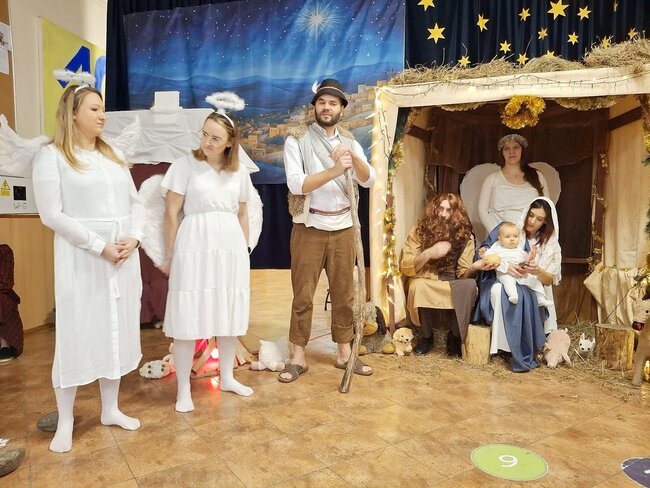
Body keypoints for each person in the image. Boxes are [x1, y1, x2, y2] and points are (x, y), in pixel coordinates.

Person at [32, 84, 144, 453]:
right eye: (94, 109)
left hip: (121, 256)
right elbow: (51, 214)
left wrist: (134, 237)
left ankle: (111, 409)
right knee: (77, 331)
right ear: (73, 113)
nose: (102, 116)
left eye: (103, 109)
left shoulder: (113, 154)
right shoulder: (51, 156)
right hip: (82, 257)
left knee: (115, 330)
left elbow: (135, 202)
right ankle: (65, 419)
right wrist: (99, 246)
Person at [279, 78, 375, 382]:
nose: (326, 107)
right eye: (321, 102)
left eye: (333, 103)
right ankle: (297, 356)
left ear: (341, 109)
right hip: (309, 227)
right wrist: (335, 170)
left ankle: (345, 352)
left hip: (344, 227)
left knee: (345, 294)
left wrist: (353, 159)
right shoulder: (296, 140)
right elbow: (297, 184)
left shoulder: (351, 142)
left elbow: (368, 179)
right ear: (315, 107)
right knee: (303, 294)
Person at [159, 110, 254, 412]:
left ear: (230, 143)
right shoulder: (184, 165)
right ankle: (183, 389)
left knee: (227, 311)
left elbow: (243, 214)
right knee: (188, 315)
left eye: (215, 138)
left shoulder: (239, 173)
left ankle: (227, 377)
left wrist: (244, 251)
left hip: (229, 246)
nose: (207, 142)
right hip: (194, 243)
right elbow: (171, 213)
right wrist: (170, 254)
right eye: (204, 134)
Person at [400, 193, 494, 356]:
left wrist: (475, 267)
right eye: (440, 209)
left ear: (456, 213)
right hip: (428, 277)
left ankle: (455, 337)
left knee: (469, 286)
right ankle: (427, 337)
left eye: (449, 210)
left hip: (454, 279)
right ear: (434, 209)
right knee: (417, 286)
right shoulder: (420, 230)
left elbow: (464, 272)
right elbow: (406, 266)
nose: (443, 214)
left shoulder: (465, 236)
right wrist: (429, 253)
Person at [474, 197, 562, 372]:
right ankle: (499, 348)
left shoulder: (549, 243)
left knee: (524, 294)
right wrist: (504, 265)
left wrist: (537, 270)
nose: (532, 221)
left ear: (546, 222)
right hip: (497, 278)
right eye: (531, 215)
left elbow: (549, 280)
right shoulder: (510, 229)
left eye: (539, 219)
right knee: (501, 291)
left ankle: (518, 348)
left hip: (528, 281)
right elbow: (484, 254)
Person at [477, 134, 549, 233]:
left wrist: (532, 233)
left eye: (516, 147)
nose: (511, 152)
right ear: (502, 153)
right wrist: (497, 234)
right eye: (506, 148)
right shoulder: (491, 179)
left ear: (522, 151)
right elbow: (482, 211)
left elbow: (547, 207)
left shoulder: (538, 176)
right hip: (499, 233)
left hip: (531, 233)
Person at [482, 222, 551, 307]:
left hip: (520, 273)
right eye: (507, 237)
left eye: (515, 236)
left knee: (535, 281)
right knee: (508, 281)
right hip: (504, 273)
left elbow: (525, 260)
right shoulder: (497, 247)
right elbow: (489, 255)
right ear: (499, 238)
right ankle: (513, 295)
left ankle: (541, 299)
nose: (512, 239)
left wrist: (531, 257)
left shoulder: (520, 250)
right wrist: (484, 252)